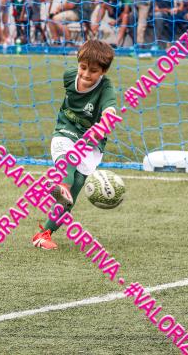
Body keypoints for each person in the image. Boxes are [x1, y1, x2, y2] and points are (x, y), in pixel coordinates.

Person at [32, 40, 118, 250]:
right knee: (68, 162)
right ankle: (61, 185)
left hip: (92, 140)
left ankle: (44, 234)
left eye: (93, 71)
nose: (86, 74)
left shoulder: (106, 87)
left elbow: (110, 110)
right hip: (65, 130)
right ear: (78, 63)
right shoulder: (69, 76)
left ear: (104, 71)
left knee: (75, 188)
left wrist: (104, 124)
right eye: (83, 67)